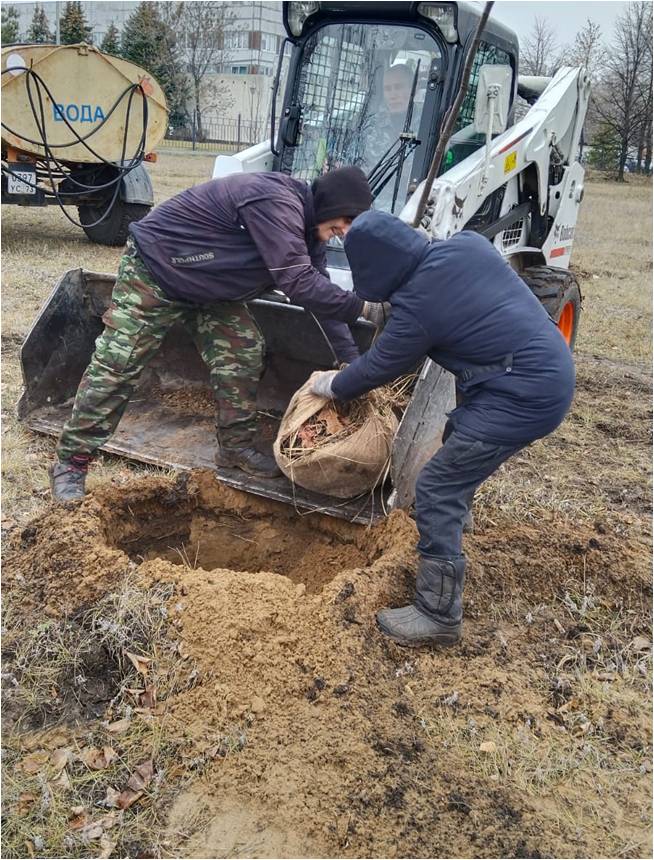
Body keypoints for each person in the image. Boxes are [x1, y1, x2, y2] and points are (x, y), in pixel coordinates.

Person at [310, 210, 576, 647]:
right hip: (537, 369)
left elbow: (375, 368)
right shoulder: (467, 245)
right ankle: (454, 524)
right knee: (460, 439)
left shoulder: (420, 307)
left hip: (523, 394)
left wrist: (329, 383)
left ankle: (437, 615)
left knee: (437, 486)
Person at [50, 166, 384, 502]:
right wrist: (363, 308)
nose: (345, 231)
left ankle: (234, 449)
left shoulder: (310, 234)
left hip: (209, 291)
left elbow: (319, 296)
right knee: (118, 363)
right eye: (346, 219)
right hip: (157, 270)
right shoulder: (276, 201)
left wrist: (352, 364)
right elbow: (297, 283)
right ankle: (72, 462)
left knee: (243, 352)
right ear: (329, 205)